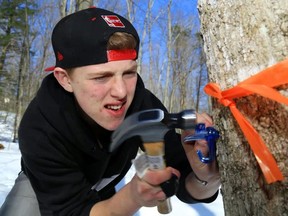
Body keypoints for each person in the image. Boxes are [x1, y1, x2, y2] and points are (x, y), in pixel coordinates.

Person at [0, 7, 220, 216]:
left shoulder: (143, 106)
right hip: (47, 187)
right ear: (65, 79)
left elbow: (189, 186)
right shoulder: (40, 128)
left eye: (129, 73)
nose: (121, 91)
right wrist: (132, 197)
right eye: (101, 77)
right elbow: (72, 211)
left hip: (106, 183)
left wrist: (205, 177)